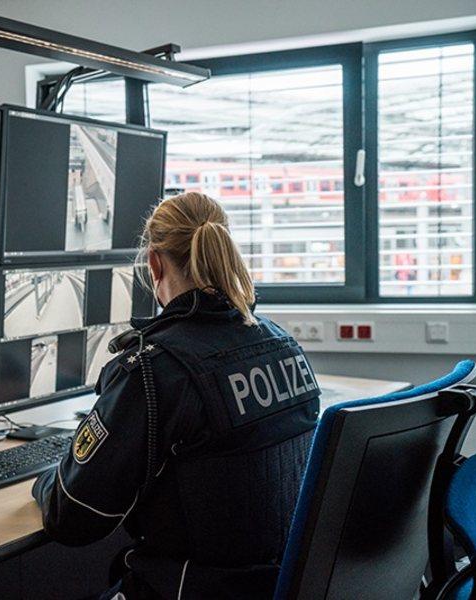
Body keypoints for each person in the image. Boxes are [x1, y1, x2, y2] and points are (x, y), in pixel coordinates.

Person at [32, 192, 320, 599]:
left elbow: (72, 519)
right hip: (277, 588)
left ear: (154, 263)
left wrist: (48, 477)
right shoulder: (282, 344)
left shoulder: (153, 370)